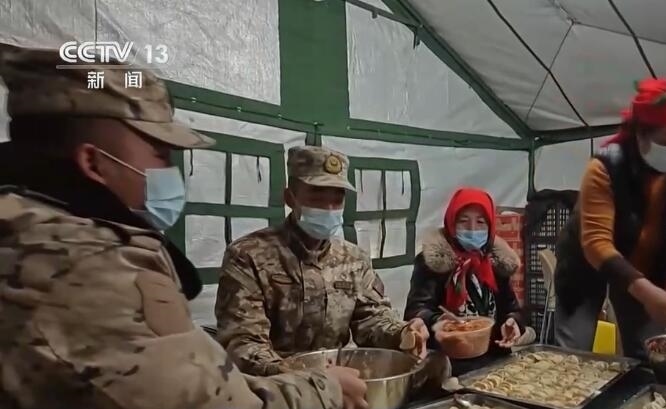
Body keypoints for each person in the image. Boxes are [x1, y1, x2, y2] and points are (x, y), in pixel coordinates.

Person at [0, 44, 350, 409]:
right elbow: (213, 392)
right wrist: (323, 388)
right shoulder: (86, 265)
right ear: (93, 161)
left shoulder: (30, 231)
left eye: (337, 198)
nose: (170, 172)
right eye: (160, 154)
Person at [214, 146, 429, 378]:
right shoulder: (249, 255)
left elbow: (371, 318)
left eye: (337, 199)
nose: (329, 209)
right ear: (290, 198)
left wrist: (403, 333)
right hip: (275, 388)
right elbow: (243, 343)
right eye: (317, 198)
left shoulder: (353, 259)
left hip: (341, 382)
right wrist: (307, 378)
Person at [553, 78, 666, 357]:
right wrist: (645, 291)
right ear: (642, 132)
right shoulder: (605, 166)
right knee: (572, 351)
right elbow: (596, 243)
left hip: (646, 264)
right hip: (585, 262)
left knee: (648, 351)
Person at [405, 187, 532, 375]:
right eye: (463, 221)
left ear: (490, 227)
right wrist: (440, 322)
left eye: (480, 222)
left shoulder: (495, 264)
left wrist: (513, 322)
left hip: (493, 363)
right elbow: (415, 311)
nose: (473, 230)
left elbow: (512, 308)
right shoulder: (432, 263)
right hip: (447, 367)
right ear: (451, 223)